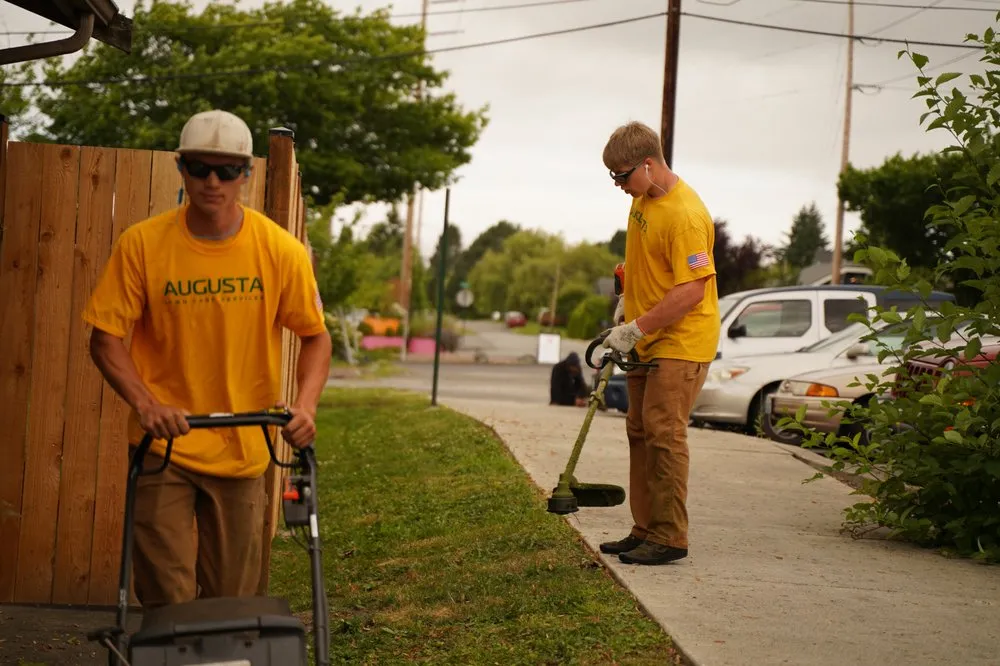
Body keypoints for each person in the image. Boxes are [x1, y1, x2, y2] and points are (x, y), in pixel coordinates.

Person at [83, 109, 333, 608]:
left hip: (244, 447)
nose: (212, 181)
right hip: (164, 447)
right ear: (182, 168)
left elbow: (315, 336)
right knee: (166, 601)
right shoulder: (143, 246)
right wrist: (147, 404)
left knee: (232, 601)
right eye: (200, 168)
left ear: (247, 173)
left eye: (227, 170)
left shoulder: (278, 251)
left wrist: (305, 407)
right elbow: (105, 337)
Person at [598, 121, 720, 566]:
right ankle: (645, 528)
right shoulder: (643, 199)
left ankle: (670, 537)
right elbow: (648, 264)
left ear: (648, 164)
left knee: (664, 435)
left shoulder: (686, 215)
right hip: (647, 338)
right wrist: (626, 299)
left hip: (681, 342)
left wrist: (637, 328)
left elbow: (692, 290)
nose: (619, 185)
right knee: (640, 431)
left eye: (622, 175)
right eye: (612, 177)